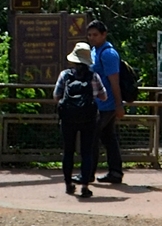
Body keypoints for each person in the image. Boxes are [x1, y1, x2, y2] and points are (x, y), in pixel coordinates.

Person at [53, 41, 107, 199]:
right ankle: (84, 186)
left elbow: (56, 96)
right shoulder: (94, 76)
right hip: (89, 119)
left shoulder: (65, 75)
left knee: (68, 151)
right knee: (87, 152)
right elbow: (104, 96)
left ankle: (68, 184)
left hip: (68, 118)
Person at [83, 19, 125, 185]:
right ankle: (115, 171)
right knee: (108, 137)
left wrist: (118, 105)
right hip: (98, 103)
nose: (92, 38)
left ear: (104, 35)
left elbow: (114, 81)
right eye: (89, 35)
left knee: (92, 136)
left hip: (107, 104)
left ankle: (88, 173)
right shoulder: (95, 51)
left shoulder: (108, 54)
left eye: (95, 35)